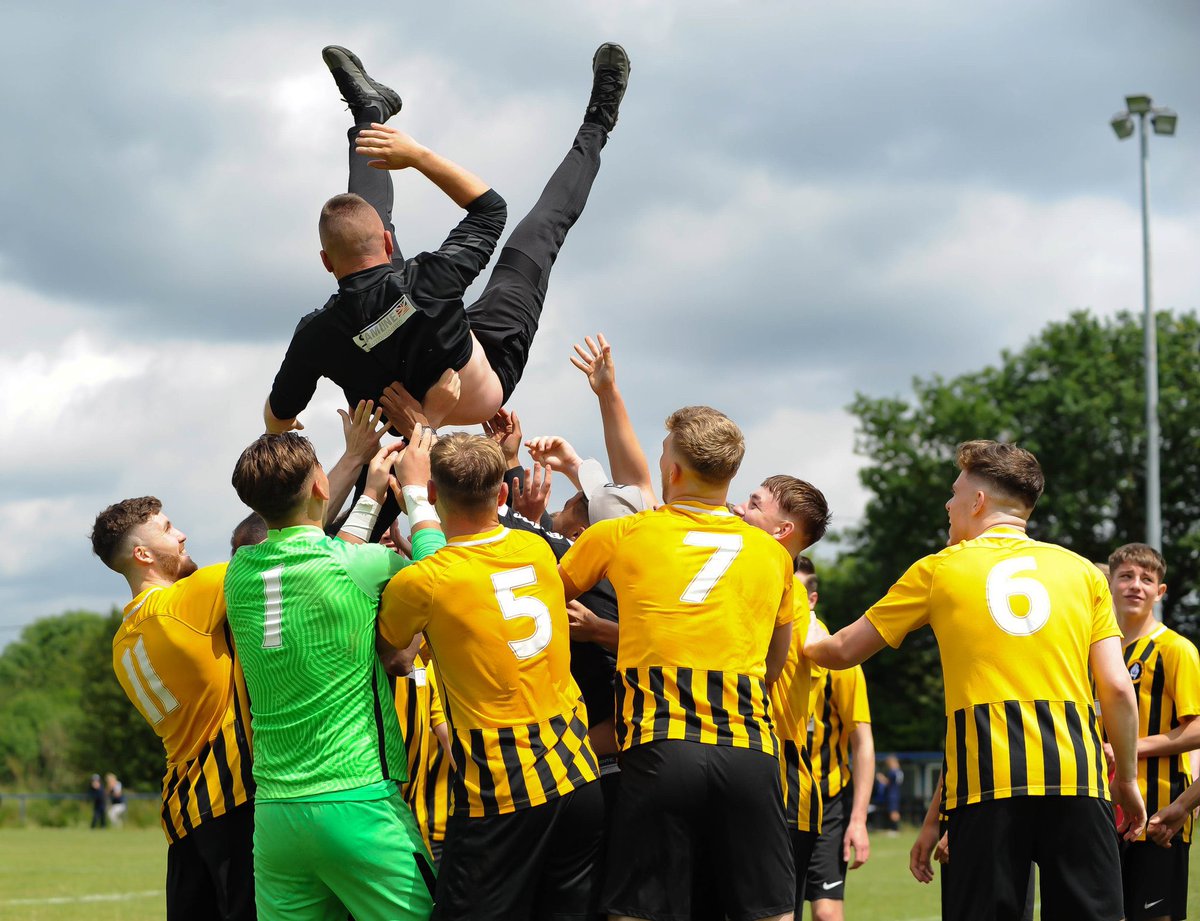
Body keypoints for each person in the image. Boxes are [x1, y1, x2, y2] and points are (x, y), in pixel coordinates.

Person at [806, 439, 1145, 921]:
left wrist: (796, 616)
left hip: (984, 787)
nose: (948, 504)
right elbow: (1115, 687)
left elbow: (838, 652)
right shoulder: (1083, 573)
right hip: (1079, 780)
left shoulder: (937, 570)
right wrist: (1127, 778)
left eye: (954, 493)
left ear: (978, 502)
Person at [264, 43, 630, 436]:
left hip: (435, 344)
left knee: (539, 230)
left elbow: (276, 419)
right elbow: (490, 209)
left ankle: (372, 110)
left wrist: (281, 424)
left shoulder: (316, 335)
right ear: (389, 247)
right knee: (541, 230)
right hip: (485, 363)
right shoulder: (427, 281)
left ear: (325, 262)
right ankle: (598, 120)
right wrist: (417, 156)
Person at [560, 405, 797, 921]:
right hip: (750, 750)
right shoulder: (775, 556)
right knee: (770, 911)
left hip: (659, 748)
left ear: (671, 470)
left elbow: (542, 603)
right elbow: (775, 665)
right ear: (730, 475)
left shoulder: (621, 534)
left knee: (638, 911)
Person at [378, 433, 602, 921]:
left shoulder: (424, 580)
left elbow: (393, 655)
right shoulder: (538, 550)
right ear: (502, 496)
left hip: (503, 787)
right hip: (579, 774)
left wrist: (416, 505)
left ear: (435, 496)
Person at [224, 429, 443, 921]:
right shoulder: (360, 565)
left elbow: (326, 561)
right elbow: (442, 577)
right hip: (359, 802)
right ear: (321, 485)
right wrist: (414, 492)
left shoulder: (239, 574)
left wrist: (368, 497)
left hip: (277, 817)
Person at [90, 498, 255, 920]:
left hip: (182, 811)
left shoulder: (121, 641)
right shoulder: (183, 604)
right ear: (142, 554)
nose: (181, 535)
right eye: (166, 529)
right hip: (231, 797)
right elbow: (290, 536)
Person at [732, 476, 832, 912]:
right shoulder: (753, 579)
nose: (738, 508)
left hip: (781, 781)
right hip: (743, 766)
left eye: (753, 504)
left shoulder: (786, 595)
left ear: (781, 532)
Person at [1108, 542, 1200, 921]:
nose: (1135, 585)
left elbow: (1197, 730)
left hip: (1159, 817)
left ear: (1160, 592)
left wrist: (1129, 749)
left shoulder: (1176, 650)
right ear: (1109, 584)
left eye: (1147, 579)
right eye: (1126, 576)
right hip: (1104, 816)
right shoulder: (1102, 653)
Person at [793, 557, 875, 921]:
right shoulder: (761, 650)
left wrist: (857, 819)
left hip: (827, 803)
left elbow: (863, 743)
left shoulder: (839, 660)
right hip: (776, 797)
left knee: (827, 914)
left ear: (812, 599)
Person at [393, 649, 455, 866]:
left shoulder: (425, 665)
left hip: (420, 827)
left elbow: (451, 739)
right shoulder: (377, 659)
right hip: (382, 819)